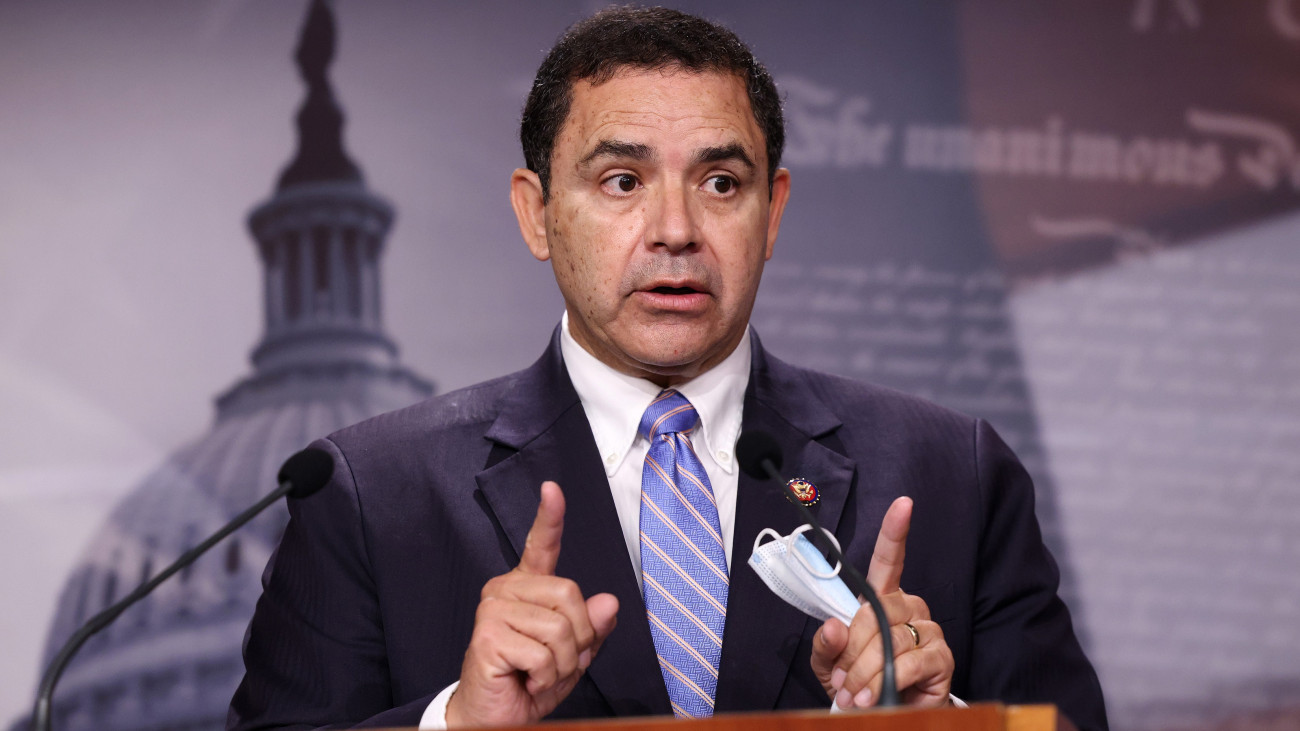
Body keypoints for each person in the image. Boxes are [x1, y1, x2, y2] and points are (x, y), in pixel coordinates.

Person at [228, 7, 1107, 731]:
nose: (676, 230)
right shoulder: (369, 496)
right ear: (537, 215)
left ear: (773, 212)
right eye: (621, 181)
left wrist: (937, 716)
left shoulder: (955, 473)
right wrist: (458, 722)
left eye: (722, 183)